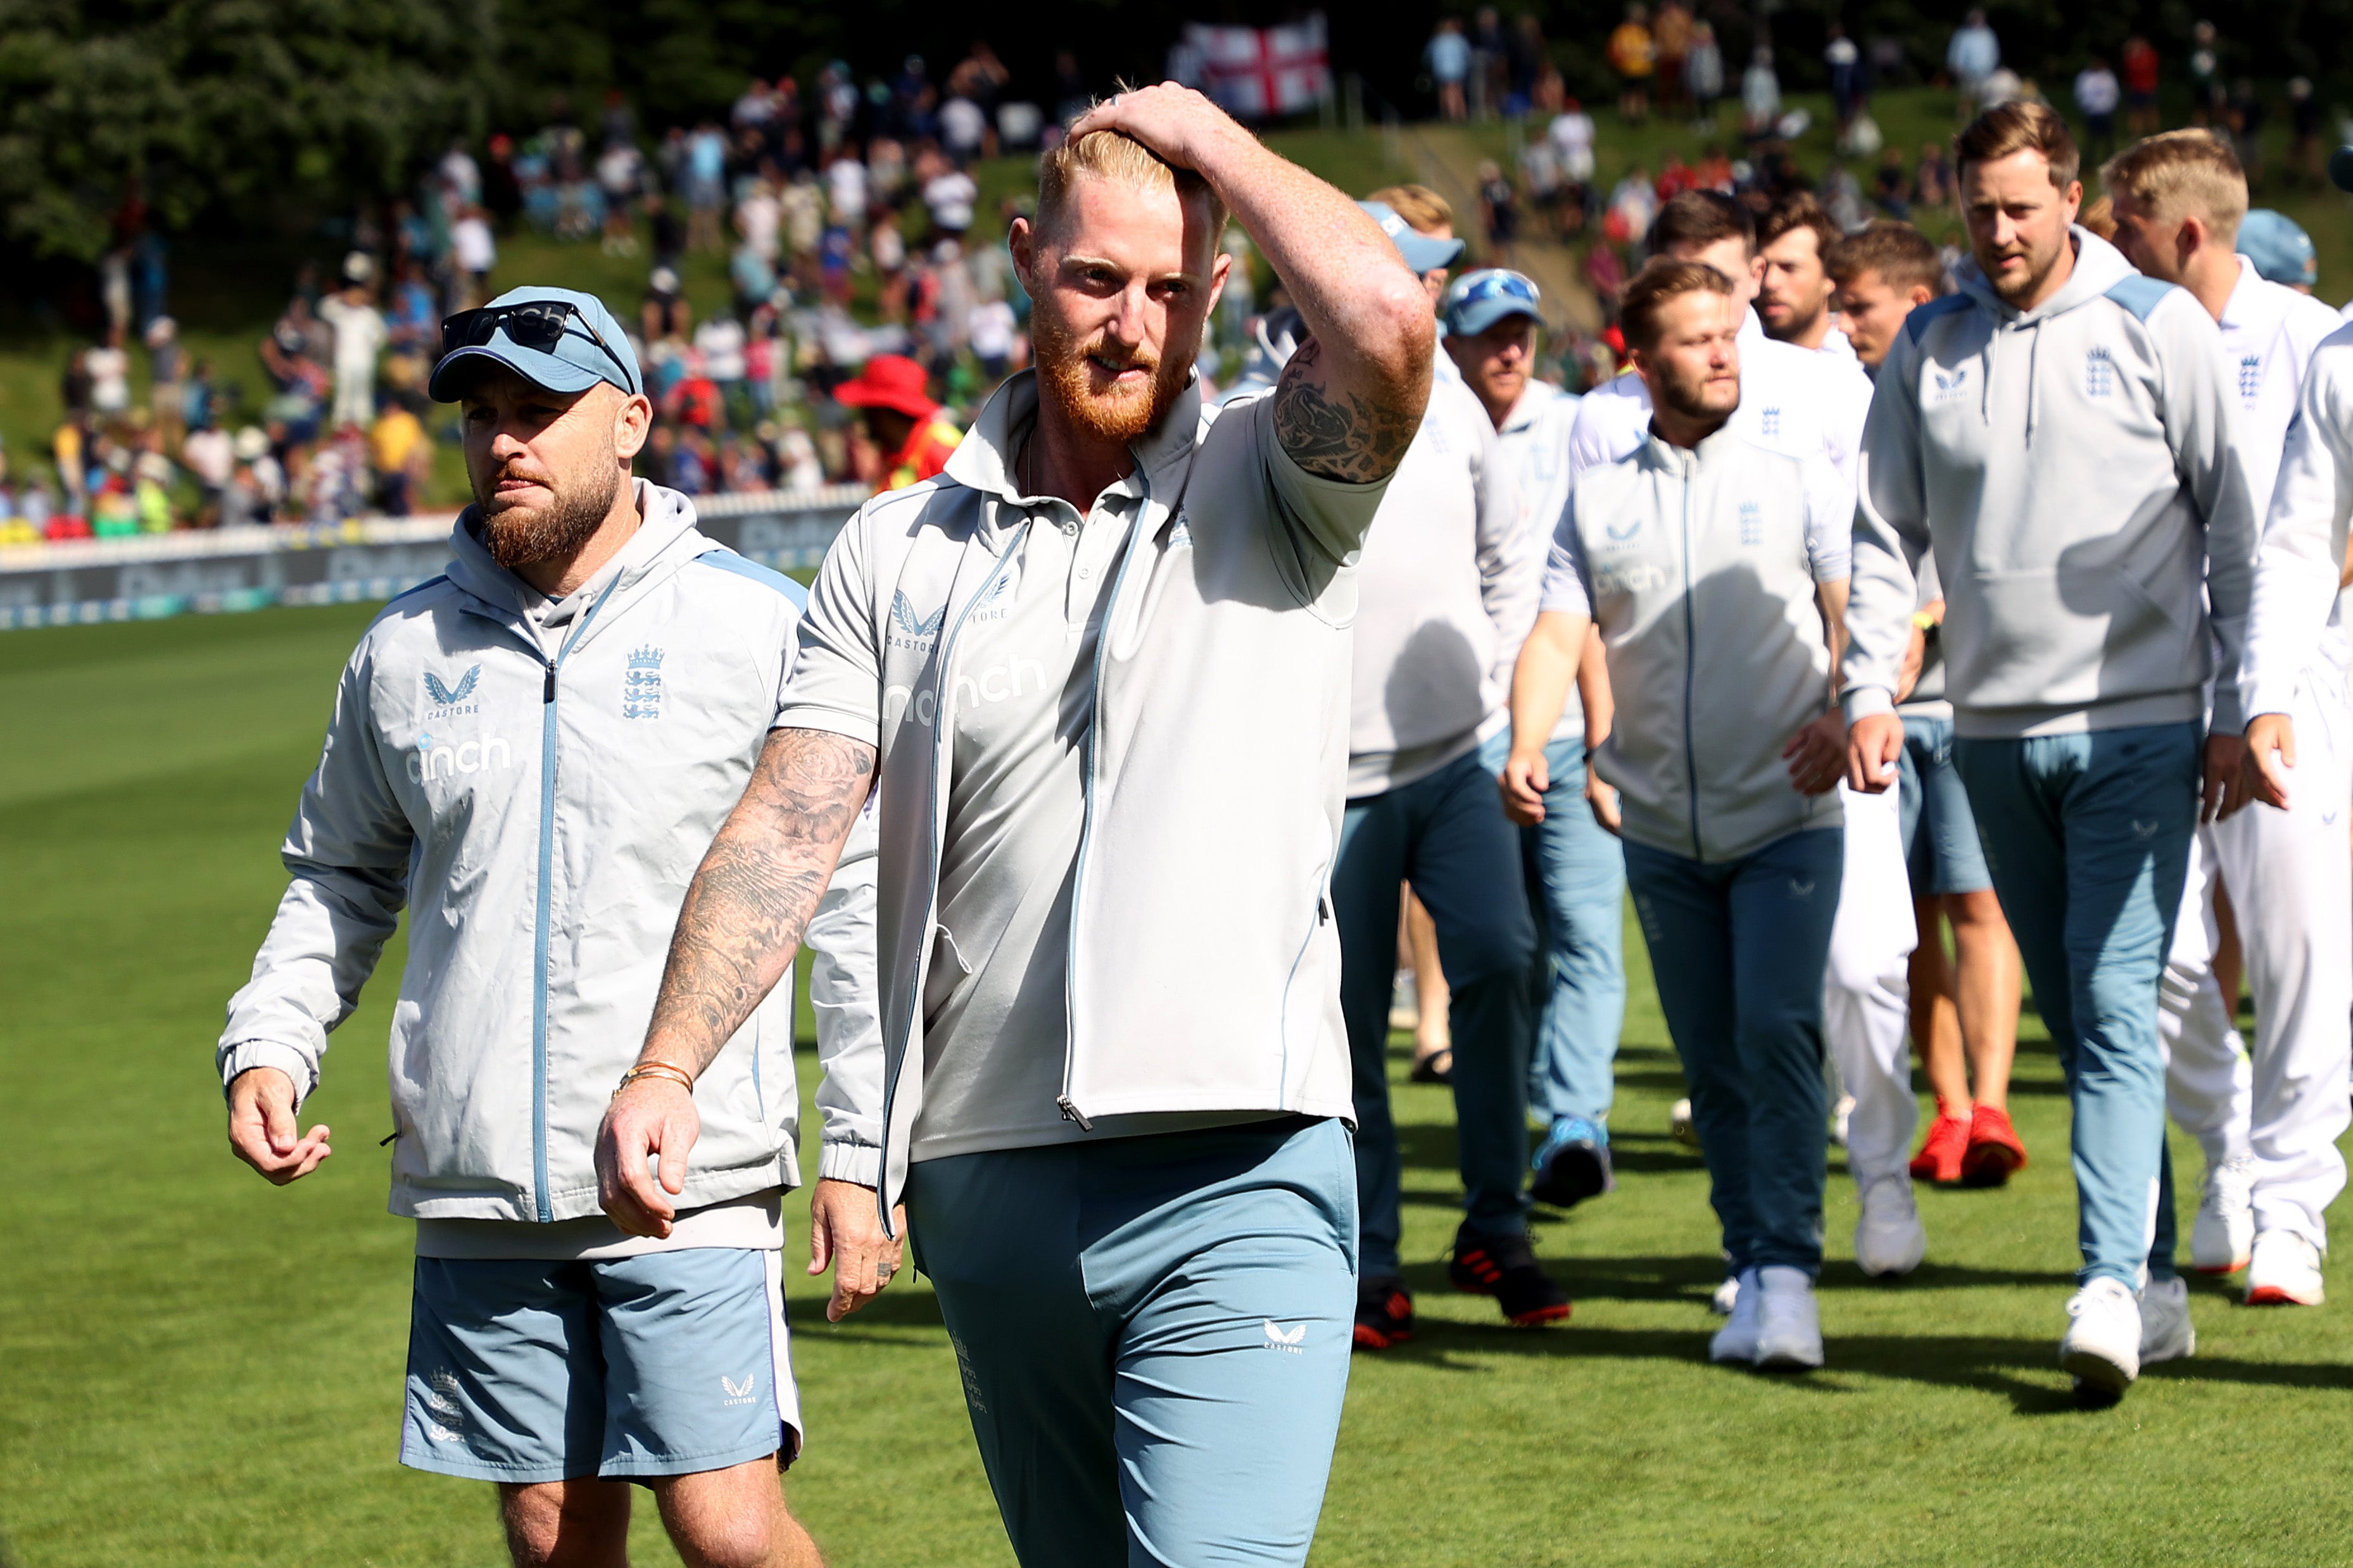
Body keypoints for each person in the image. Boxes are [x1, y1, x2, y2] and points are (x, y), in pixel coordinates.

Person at [595, 87, 1435, 1566]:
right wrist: (672, 1060)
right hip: (986, 1182)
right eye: (1096, 277)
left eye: (1172, 288)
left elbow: (1379, 314)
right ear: (1023, 258)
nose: (1131, 322)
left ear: (1218, 291)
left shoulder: (1275, 481)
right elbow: (793, 819)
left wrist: (1215, 143)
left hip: (1238, 1161)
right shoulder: (895, 547)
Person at [216, 285, 825, 1567]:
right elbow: (338, 870)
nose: (507, 440)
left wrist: (868, 1148)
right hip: (480, 1170)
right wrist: (270, 1040)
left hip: (687, 1171)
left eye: (541, 410)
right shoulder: (400, 652)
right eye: (482, 414)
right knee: (553, 1539)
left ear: (635, 419)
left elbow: (848, 889)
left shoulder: (758, 622)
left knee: (727, 1528)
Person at [1843, 103, 2259, 1403]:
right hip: (1989, 732)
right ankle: (2163, 1282)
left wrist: (2240, 707)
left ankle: (2103, 1287)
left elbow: (2235, 532)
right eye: (1978, 210)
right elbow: (1876, 530)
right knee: (2085, 1018)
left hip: (2141, 723)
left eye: (2023, 206)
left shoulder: (2156, 325)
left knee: (2113, 996)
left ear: (2072, 197)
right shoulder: (1929, 339)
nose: (2000, 231)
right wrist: (1867, 680)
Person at [1505, 259, 1853, 1369]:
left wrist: (1850, 707)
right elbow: (1560, 633)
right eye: (1696, 338)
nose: (1720, 352)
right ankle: (1750, 1264)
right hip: (1657, 827)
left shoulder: (1799, 472)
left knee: (1776, 1031)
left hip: (1789, 811)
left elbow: (1861, 613)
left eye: (1730, 334)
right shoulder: (1598, 496)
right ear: (1640, 357)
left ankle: (1790, 1272)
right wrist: (1528, 740)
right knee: (1710, 1061)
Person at [2104, 130, 2348, 1303]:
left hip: (2295, 687)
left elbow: (2321, 551)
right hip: (2153, 681)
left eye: (2122, 223)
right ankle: (2232, 1142)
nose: (2107, 244)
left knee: (2297, 941)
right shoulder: (2114, 334)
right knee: (2156, 957)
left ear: (2183, 228)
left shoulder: (2307, 337)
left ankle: (2293, 1200)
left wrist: (2262, 692)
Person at [1321, 208, 1566, 1352]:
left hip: (1455, 759)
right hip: (1334, 788)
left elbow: (1514, 557)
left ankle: (1497, 1226)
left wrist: (1494, 688)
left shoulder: (1458, 407)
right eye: (1415, 277)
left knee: (1507, 961)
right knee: (1351, 1027)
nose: (1429, 296)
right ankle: (1370, 1262)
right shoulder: (1259, 411)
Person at [1827, 222, 2031, 1191]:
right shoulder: (1838, 401)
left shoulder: (1977, 383)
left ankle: (1991, 1101)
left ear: (1913, 304)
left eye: (1856, 304)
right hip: (1880, 708)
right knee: (1903, 923)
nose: (1843, 321)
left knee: (1980, 904)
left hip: (1970, 698)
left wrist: (1933, 612)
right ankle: (1948, 1106)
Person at [1442, 268, 1627, 1214]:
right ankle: (1512, 1120)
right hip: (1465, 736)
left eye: (1522, 331)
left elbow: (1586, 600)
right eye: (1489, 333)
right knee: (1507, 949)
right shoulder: (1421, 421)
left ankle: (1576, 1126)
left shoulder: (1575, 425)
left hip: (1558, 727)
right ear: (1453, 340)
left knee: (1588, 932)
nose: (1510, 348)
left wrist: (1601, 737)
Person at [829, 354, 960, 490]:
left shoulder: (941, 452)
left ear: (884, 412)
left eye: (866, 408)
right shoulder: (899, 452)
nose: (862, 419)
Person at [1755, 194, 1851, 356]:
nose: (1769, 283)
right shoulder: (1733, 361)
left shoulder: (1860, 366)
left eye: (1789, 268)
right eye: (1762, 268)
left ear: (1830, 277)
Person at [317, 253, 388, 430]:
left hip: (364, 358)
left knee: (363, 390)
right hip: (344, 357)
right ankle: (340, 422)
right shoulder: (338, 309)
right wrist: (342, 298)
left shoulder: (369, 314)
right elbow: (323, 308)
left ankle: (363, 422)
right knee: (344, 389)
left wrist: (370, 348)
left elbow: (380, 336)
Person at [1946, 9, 2000, 119]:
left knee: (1984, 96)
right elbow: (1957, 52)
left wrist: (1993, 65)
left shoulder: (1988, 35)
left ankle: (1983, 117)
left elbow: (1994, 51)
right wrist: (1956, 66)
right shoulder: (1963, 35)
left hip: (1986, 72)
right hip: (1967, 71)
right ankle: (1964, 117)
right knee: (1967, 95)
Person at [1608, 6, 1656, 125]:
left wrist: (1651, 53)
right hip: (1629, 69)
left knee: (1642, 93)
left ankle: (1641, 116)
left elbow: (1649, 49)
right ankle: (1629, 117)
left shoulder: (1643, 32)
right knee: (1629, 94)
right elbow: (1618, 49)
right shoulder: (1623, 31)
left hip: (1643, 69)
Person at [2076, 57, 2121, 166]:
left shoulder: (2108, 76)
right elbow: (2081, 93)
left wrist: (2109, 106)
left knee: (2108, 140)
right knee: (2091, 140)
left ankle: (2110, 161)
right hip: (2092, 113)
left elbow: (2114, 93)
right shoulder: (2085, 77)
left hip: (2106, 112)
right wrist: (2087, 106)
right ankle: (2088, 163)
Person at [1427, 18, 1472, 123]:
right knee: (1457, 91)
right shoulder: (1459, 40)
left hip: (1442, 70)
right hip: (1458, 70)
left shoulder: (1437, 40)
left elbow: (1428, 56)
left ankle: (1449, 115)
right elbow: (1468, 54)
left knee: (1445, 92)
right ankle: (1459, 115)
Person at [2122, 37, 2162, 138]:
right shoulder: (2131, 57)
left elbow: (2147, 68)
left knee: (2151, 112)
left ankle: (2154, 134)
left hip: (2148, 88)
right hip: (2136, 89)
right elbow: (2131, 69)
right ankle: (2135, 135)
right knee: (2136, 113)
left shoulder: (2150, 56)